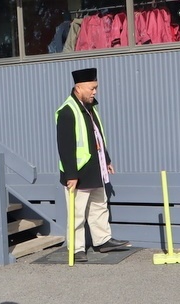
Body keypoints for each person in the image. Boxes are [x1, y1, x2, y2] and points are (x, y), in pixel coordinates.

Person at [56, 67, 130, 263]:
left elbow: (98, 136)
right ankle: (76, 248)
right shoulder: (67, 112)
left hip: (95, 168)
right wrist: (71, 174)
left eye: (96, 87)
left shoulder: (91, 108)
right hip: (78, 172)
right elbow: (65, 146)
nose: (95, 91)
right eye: (92, 88)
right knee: (77, 211)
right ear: (78, 87)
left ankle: (103, 240)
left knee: (99, 205)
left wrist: (106, 160)